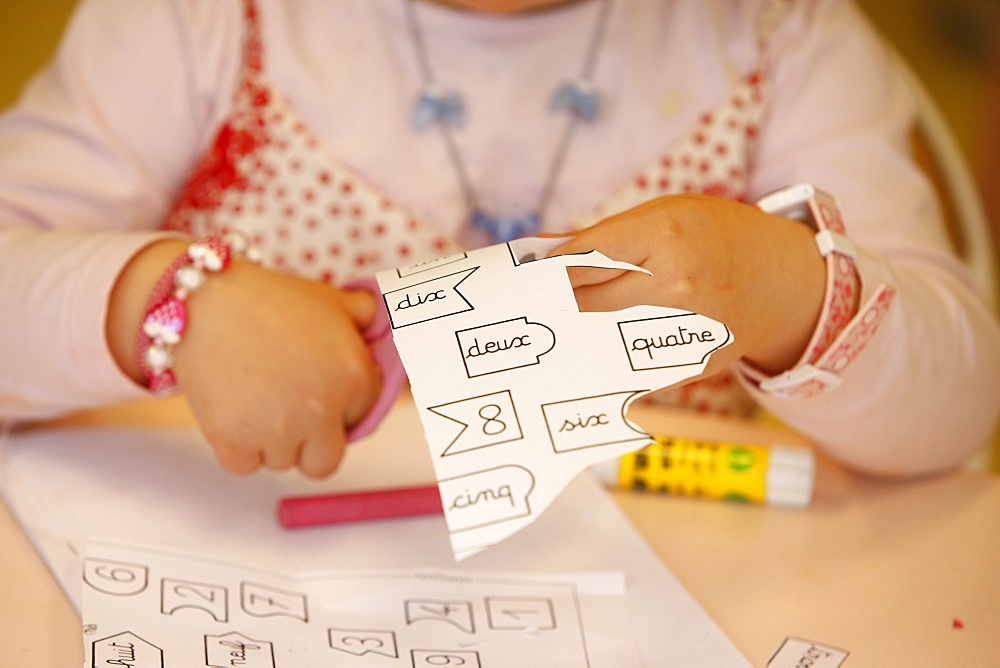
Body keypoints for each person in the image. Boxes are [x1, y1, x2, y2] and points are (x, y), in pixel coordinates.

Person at [1, 0, 997, 480]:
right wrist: (166, 305)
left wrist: (782, 292)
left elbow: (957, 409)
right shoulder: (197, 20)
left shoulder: (782, 37)